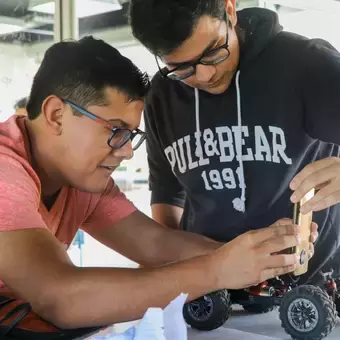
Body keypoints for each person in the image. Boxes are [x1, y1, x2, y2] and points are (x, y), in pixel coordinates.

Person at [0, 36, 305, 338]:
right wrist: (216, 270)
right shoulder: (6, 172)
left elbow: (155, 245)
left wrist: (261, 255)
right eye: (116, 130)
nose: (127, 151)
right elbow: (60, 298)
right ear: (56, 115)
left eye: (131, 134)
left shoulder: (80, 180)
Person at [129, 0, 340, 285]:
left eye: (214, 51)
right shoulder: (161, 97)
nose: (205, 75)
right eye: (182, 68)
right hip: (210, 293)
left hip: (310, 288)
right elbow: (167, 195)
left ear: (229, 10)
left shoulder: (306, 64)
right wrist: (173, 271)